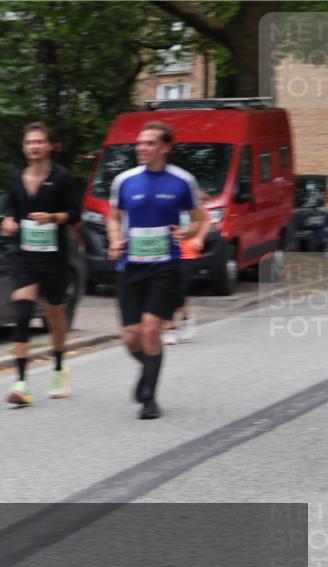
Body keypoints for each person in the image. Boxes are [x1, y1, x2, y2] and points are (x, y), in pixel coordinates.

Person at [107, 121, 212, 419]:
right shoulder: (124, 181)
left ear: (165, 147)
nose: (142, 148)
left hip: (166, 266)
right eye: (140, 143)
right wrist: (115, 240)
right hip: (131, 265)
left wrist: (191, 235)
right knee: (130, 336)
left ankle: (150, 399)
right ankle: (147, 369)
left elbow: (202, 219)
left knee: (152, 329)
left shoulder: (182, 181)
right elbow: (114, 218)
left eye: (149, 143)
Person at [0, 122, 81, 406]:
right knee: (22, 315)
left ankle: (59, 368)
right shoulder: (16, 178)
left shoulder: (62, 178)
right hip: (24, 257)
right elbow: (10, 209)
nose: (34, 147)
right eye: (29, 142)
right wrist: (7, 221)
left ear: (49, 146)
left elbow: (75, 213)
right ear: (24, 148)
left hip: (54, 257)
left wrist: (54, 217)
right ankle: (21, 384)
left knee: (55, 315)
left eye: (39, 142)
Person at [162, 205, 211, 345]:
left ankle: (186, 317)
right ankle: (171, 328)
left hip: (187, 252)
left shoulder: (188, 196)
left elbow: (206, 219)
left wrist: (199, 238)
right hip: (165, 251)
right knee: (168, 288)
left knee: (179, 290)